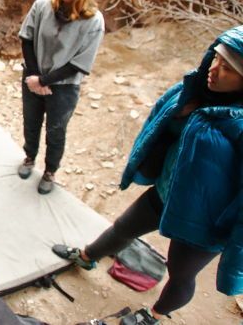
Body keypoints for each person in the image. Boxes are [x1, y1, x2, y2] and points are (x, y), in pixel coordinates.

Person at [53, 26, 243, 325]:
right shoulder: (196, 93)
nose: (215, 70)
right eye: (217, 58)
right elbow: (167, 135)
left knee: (181, 274)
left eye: (229, 69)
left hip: (202, 221)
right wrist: (179, 116)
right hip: (168, 191)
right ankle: (87, 257)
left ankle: (155, 314)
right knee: (123, 228)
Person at [17, 0, 105, 194]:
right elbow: (27, 38)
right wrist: (35, 77)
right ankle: (29, 157)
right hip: (33, 76)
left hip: (64, 87)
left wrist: (44, 82)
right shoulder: (43, 5)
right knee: (31, 122)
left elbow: (79, 63)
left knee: (56, 131)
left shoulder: (93, 22)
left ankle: (50, 171)